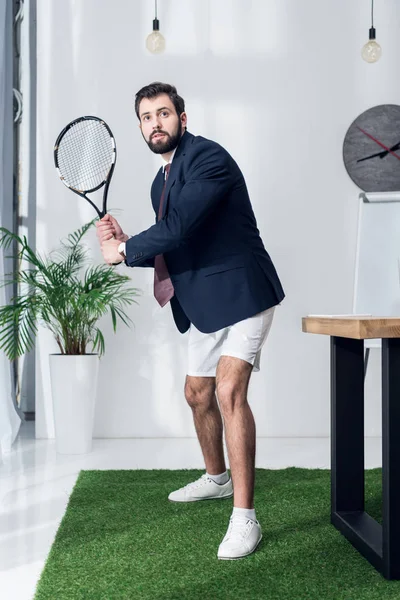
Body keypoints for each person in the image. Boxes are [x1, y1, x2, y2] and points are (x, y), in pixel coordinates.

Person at [96, 82, 285, 560]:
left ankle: (245, 519)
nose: (155, 123)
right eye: (146, 117)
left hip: (243, 292)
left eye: (163, 113)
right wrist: (129, 244)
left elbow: (177, 228)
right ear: (139, 126)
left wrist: (121, 249)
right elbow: (175, 243)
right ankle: (217, 478)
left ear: (182, 116)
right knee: (196, 393)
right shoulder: (161, 181)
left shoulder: (208, 159)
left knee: (227, 391)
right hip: (201, 298)